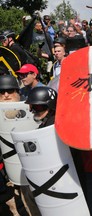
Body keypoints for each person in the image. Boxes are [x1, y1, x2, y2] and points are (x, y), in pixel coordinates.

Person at [0, 75, 42, 216]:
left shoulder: (34, 110)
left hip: (39, 172)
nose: (6, 95)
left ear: (18, 92)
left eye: (10, 91)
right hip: (16, 176)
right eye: (1, 92)